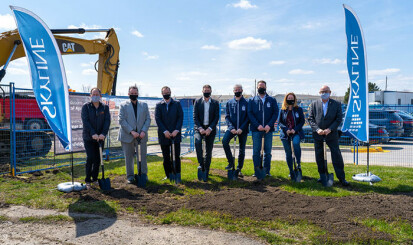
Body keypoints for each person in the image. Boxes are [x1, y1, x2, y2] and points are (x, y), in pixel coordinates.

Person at [307, 85, 349, 186]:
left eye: (325, 91)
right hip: (318, 135)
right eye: (321, 92)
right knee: (319, 155)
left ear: (330, 92)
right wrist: (317, 129)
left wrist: (330, 129)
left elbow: (338, 119)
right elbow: (310, 119)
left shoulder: (336, 104)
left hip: (332, 134)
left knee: (336, 155)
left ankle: (341, 178)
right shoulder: (314, 104)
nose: (323, 93)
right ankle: (322, 176)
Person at [118, 85, 151, 183]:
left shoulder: (144, 105)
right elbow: (121, 120)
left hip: (141, 136)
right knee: (129, 157)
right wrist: (132, 131)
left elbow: (148, 119)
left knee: (143, 157)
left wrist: (143, 131)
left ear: (138, 94)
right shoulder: (123, 105)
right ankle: (130, 176)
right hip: (127, 135)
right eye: (132, 93)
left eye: (135, 93)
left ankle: (143, 174)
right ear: (128, 94)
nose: (134, 95)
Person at [81, 87, 111, 189]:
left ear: (100, 96)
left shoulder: (105, 108)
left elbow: (107, 121)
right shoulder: (86, 107)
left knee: (98, 159)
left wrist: (103, 134)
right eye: (93, 95)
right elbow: (86, 122)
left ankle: (95, 178)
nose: (95, 96)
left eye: (97, 94)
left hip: (100, 138)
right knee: (90, 158)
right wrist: (93, 133)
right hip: (89, 137)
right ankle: (87, 180)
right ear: (90, 96)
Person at [248, 80, 279, 177]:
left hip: (268, 130)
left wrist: (269, 125)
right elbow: (250, 113)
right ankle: (257, 171)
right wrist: (258, 125)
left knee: (268, 152)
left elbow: (275, 113)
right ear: (257, 88)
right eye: (259, 86)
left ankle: (266, 171)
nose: (261, 88)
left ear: (266, 87)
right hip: (256, 129)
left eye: (263, 86)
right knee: (256, 151)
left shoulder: (272, 100)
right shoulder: (252, 100)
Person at [155, 86, 183, 180]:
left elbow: (180, 117)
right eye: (164, 92)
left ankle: (177, 174)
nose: (166, 94)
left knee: (176, 156)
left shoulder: (177, 104)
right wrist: (165, 131)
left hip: (176, 134)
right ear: (162, 94)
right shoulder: (159, 105)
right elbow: (158, 119)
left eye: (168, 92)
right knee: (166, 157)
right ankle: (168, 175)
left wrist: (176, 130)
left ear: (170, 92)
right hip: (164, 135)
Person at [193, 84, 220, 181]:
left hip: (210, 129)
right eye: (205, 90)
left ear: (211, 91)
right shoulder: (197, 102)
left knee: (208, 151)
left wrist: (210, 128)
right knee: (197, 142)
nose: (206, 91)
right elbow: (195, 116)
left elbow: (216, 117)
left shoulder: (215, 103)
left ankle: (206, 170)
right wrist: (200, 128)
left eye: (208, 90)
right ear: (202, 91)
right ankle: (201, 164)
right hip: (199, 128)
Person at [222, 84, 249, 177]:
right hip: (232, 129)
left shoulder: (246, 102)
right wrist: (231, 128)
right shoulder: (229, 102)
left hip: (243, 129)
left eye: (239, 89)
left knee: (242, 149)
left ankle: (239, 168)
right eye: (235, 89)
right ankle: (230, 163)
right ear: (233, 91)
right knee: (224, 141)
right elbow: (227, 116)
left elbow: (247, 117)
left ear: (242, 90)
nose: (237, 91)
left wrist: (241, 128)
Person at [278, 92, 305, 181]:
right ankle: (291, 170)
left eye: (292, 98)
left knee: (296, 143)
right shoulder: (282, 110)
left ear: (294, 99)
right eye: (288, 98)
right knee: (288, 152)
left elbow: (302, 121)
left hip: (296, 132)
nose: (290, 100)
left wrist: (295, 129)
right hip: (285, 134)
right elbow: (280, 122)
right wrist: (286, 129)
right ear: (286, 99)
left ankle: (298, 163)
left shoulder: (299, 109)